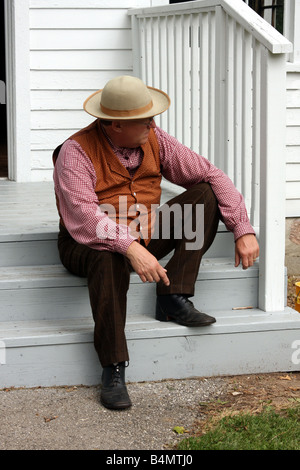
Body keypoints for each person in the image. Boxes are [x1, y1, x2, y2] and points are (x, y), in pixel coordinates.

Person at [53, 75, 259, 410]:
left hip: (142, 228)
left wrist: (243, 228)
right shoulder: (75, 153)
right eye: (145, 119)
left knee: (204, 195)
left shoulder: (154, 138)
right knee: (108, 255)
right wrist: (131, 248)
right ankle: (113, 366)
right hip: (86, 241)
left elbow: (212, 174)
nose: (153, 123)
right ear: (115, 125)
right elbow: (86, 219)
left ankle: (173, 295)